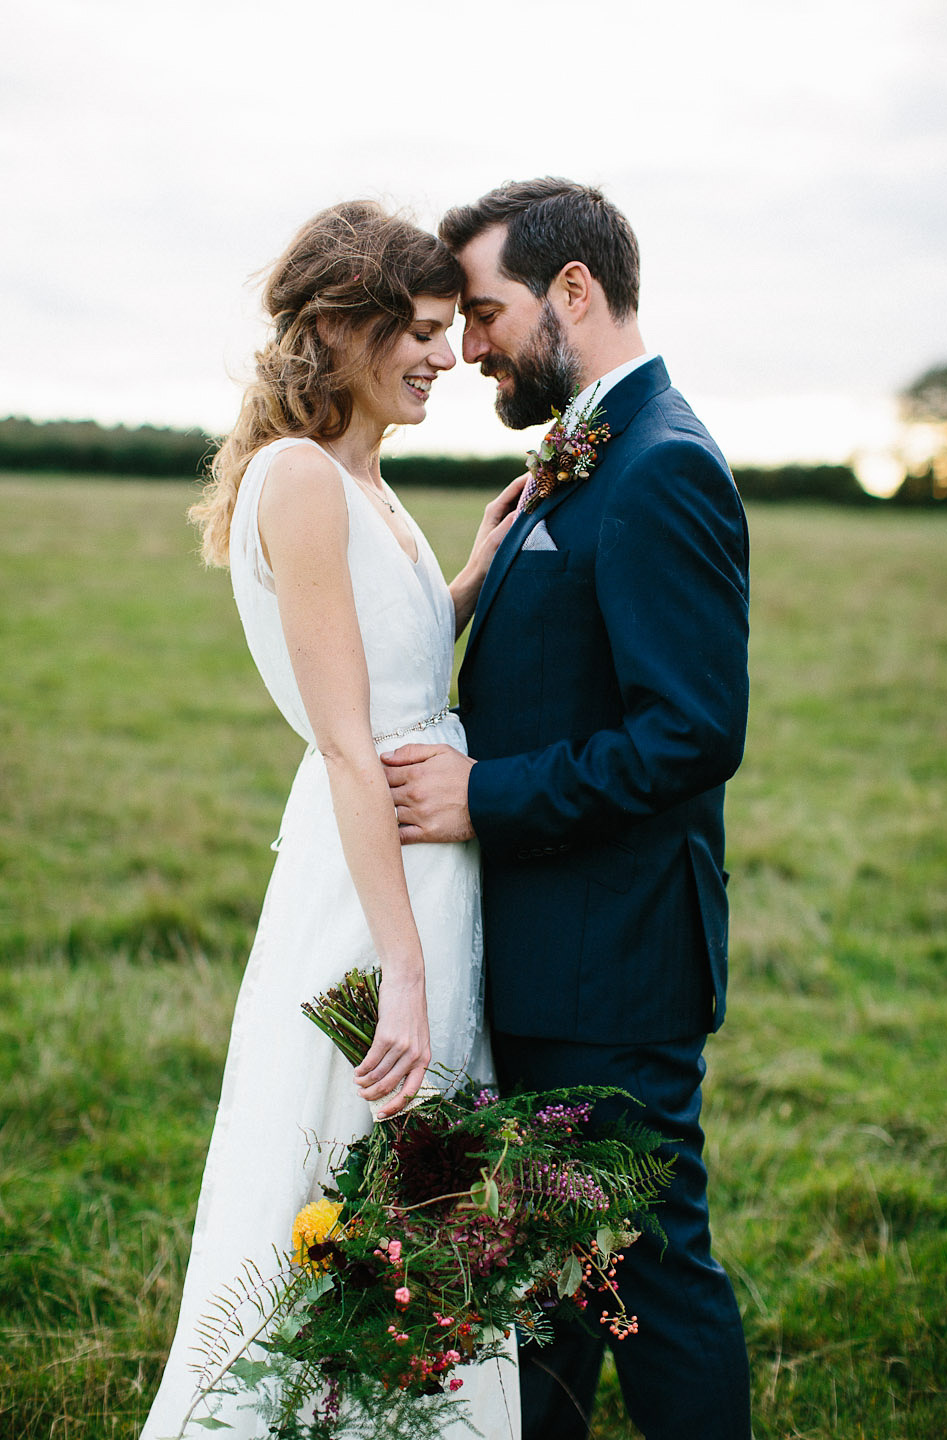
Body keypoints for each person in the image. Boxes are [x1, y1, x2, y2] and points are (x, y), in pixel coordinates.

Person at [140, 201, 522, 1439]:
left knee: (414, 1189)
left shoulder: (363, 478)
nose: (448, 357)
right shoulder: (301, 477)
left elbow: (393, 670)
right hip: (373, 883)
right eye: (417, 331)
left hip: (420, 862)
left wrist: (464, 575)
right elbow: (351, 741)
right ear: (344, 329)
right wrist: (400, 967)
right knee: (347, 1156)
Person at [382, 178, 752, 1440]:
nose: (468, 342)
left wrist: (484, 795)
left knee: (652, 1280)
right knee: (552, 1286)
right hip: (552, 959)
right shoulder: (580, 453)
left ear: (574, 294)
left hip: (619, 970)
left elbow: (691, 734)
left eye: (485, 312)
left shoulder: (661, 466)